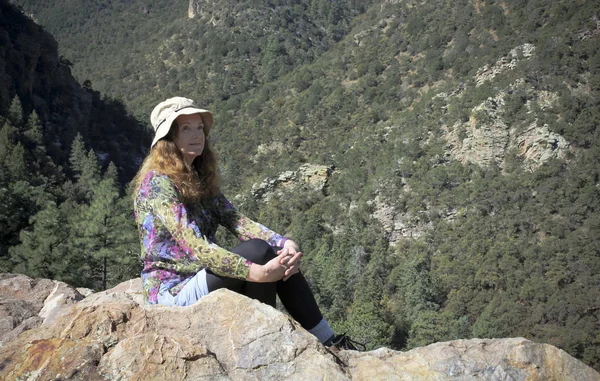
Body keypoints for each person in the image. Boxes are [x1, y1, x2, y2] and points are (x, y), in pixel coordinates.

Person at [132, 97, 361, 350]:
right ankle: (269, 341)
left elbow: (236, 220)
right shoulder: (158, 183)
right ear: (168, 139)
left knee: (274, 253)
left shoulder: (197, 178)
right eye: (186, 128)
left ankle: (326, 340)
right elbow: (196, 246)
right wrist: (258, 273)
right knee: (258, 252)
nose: (197, 134)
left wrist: (284, 242)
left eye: (199, 127)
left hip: (200, 277)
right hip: (171, 292)